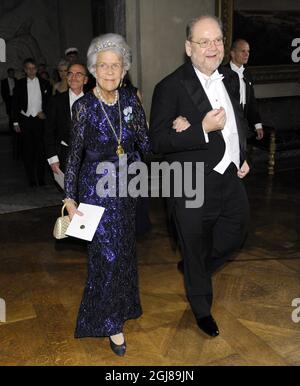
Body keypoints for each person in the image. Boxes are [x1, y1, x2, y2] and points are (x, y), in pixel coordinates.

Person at [150, 16, 250, 338]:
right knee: (193, 247)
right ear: (188, 47)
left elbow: (237, 123)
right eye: (204, 42)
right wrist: (200, 129)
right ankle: (202, 308)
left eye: (218, 40)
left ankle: (196, 270)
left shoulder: (230, 80)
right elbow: (158, 142)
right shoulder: (169, 87)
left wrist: (241, 156)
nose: (212, 48)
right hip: (189, 181)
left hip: (229, 177)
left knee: (237, 231)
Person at [63, 33, 150, 356]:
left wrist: (181, 137)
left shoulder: (130, 101)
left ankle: (121, 308)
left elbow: (146, 142)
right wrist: (69, 198)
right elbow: (74, 155)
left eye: (116, 65)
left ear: (124, 69)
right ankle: (111, 324)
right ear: (93, 70)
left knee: (124, 254)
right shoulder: (84, 107)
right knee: (106, 257)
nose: (110, 71)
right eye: (103, 66)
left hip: (127, 191)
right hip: (94, 191)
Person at [12, 58, 51, 187]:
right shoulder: (19, 83)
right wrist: (15, 122)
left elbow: (49, 103)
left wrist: (45, 113)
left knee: (41, 151)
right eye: (28, 68)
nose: (31, 71)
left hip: (39, 121)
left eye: (33, 68)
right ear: (24, 69)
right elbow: (15, 104)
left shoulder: (45, 83)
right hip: (25, 120)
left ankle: (41, 177)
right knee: (28, 151)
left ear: (37, 69)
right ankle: (31, 179)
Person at [45, 62, 88, 174]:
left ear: (85, 80)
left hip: (90, 158)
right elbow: (48, 132)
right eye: (70, 74)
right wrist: (52, 159)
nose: (73, 77)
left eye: (78, 74)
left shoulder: (94, 101)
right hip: (65, 155)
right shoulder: (56, 101)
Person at [227, 39, 264, 141]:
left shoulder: (247, 74)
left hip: (243, 123)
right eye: (242, 51)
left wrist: (257, 125)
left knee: (242, 153)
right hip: (227, 123)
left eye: (248, 51)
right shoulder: (222, 73)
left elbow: (251, 101)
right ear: (233, 54)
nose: (246, 54)